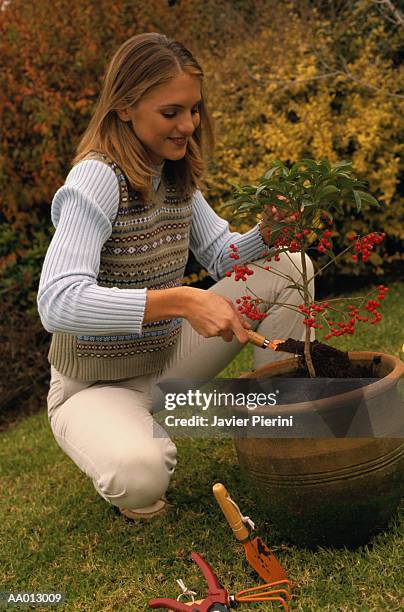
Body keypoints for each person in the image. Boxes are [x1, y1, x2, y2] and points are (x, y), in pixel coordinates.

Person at [37, 33, 314, 521]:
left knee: (288, 266)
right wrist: (182, 301)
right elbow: (57, 300)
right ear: (125, 107)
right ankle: (125, 440)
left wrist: (268, 233)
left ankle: (283, 435)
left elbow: (224, 256)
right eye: (171, 112)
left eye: (195, 109)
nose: (188, 125)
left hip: (168, 359)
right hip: (94, 385)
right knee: (140, 476)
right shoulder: (96, 178)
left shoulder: (171, 171)